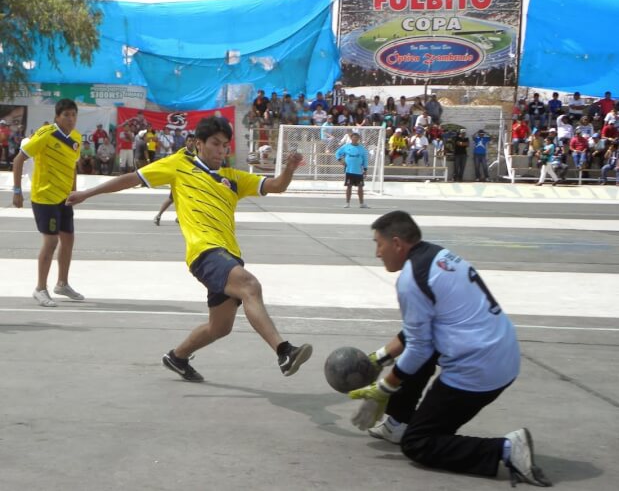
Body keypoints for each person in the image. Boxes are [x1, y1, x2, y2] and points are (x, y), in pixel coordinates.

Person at [67, 116, 312, 381]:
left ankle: (177, 357)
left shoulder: (232, 178)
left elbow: (276, 186)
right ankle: (284, 351)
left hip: (228, 254)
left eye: (224, 145)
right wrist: (86, 194)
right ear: (198, 143)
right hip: (203, 252)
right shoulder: (178, 165)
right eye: (215, 143)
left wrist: (288, 169)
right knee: (250, 285)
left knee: (220, 327)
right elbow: (131, 178)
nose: (221, 150)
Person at [348, 211, 551, 488]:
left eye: (378, 244)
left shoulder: (410, 280)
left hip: (478, 370)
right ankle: (397, 423)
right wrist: (380, 357)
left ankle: (506, 449)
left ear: (396, 244)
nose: (377, 253)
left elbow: (419, 348)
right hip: (502, 353)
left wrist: (383, 388)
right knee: (418, 353)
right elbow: (416, 334)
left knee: (419, 444)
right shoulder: (436, 256)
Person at [11, 99, 85, 307]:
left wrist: (74, 191)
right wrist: (17, 191)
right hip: (44, 197)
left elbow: (72, 167)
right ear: (57, 117)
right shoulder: (46, 134)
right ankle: (40, 288)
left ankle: (62, 283)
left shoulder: (76, 138)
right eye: (66, 115)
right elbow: (18, 160)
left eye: (73, 115)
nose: (71, 119)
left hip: (64, 198)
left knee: (68, 240)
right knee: (51, 242)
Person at [153, 133, 197, 225]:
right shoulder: (181, 153)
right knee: (171, 199)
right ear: (186, 142)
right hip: (178, 179)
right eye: (189, 141)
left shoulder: (197, 152)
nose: (192, 143)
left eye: (193, 141)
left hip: (189, 180)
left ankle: (180, 217)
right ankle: (158, 216)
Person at [335, 131, 369, 208]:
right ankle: (347, 203)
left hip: (359, 171)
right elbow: (337, 153)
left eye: (357, 138)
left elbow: (365, 160)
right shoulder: (346, 147)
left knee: (360, 187)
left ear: (359, 139)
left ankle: (361, 203)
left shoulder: (362, 149)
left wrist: (365, 170)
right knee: (349, 186)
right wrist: (341, 161)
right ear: (351, 138)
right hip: (349, 170)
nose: (355, 139)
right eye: (354, 137)